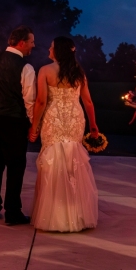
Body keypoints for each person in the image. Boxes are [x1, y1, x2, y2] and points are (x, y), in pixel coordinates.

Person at [28, 37, 100, 232]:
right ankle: (77, 214)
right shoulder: (79, 72)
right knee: (72, 163)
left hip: (54, 118)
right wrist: (93, 126)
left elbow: (41, 102)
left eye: (51, 47)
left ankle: (56, 214)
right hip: (75, 119)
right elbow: (88, 102)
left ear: (58, 51)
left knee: (53, 162)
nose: (48, 50)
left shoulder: (45, 71)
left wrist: (34, 127)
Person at [0, 26, 36, 224]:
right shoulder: (26, 68)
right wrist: (30, 123)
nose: (33, 45)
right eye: (31, 42)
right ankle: (13, 211)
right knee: (15, 166)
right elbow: (29, 99)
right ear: (21, 43)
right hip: (14, 122)